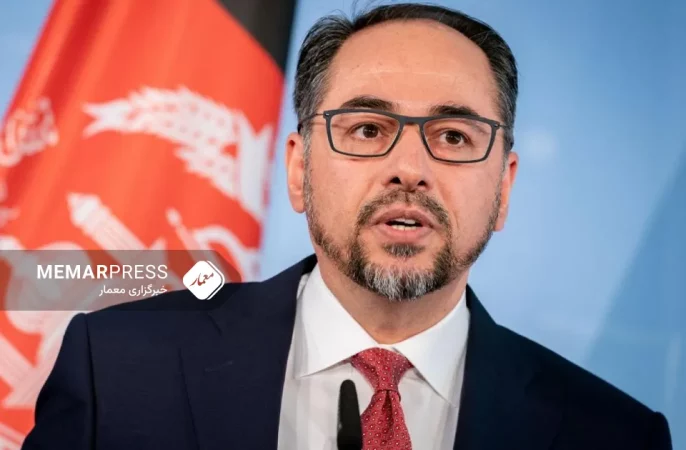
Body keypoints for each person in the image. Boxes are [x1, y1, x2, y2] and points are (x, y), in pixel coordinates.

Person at [23, 3, 672, 450]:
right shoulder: (117, 368)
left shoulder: (614, 435)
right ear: (299, 170)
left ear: (503, 188)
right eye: (367, 129)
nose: (410, 169)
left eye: (453, 136)